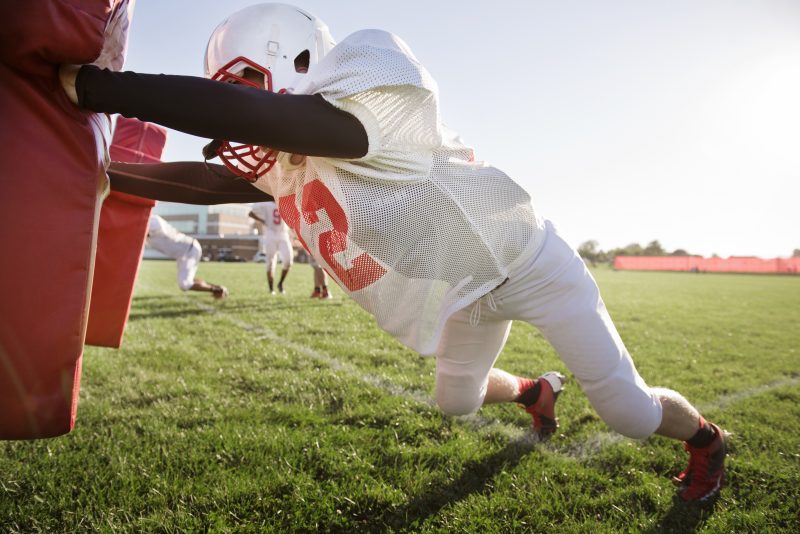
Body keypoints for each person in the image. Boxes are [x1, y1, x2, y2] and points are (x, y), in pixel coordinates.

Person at [59, 3, 727, 501]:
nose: (237, 107)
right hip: (467, 290)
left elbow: (277, 122)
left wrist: (99, 88)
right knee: (455, 404)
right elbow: (210, 178)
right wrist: (108, 175)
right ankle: (534, 391)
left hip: (530, 264)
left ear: (295, 64)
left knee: (628, 415)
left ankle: (707, 440)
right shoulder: (285, 146)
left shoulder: (367, 79)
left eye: (242, 88)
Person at [147, 214, 228, 299]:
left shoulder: (153, 220)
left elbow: (147, 230)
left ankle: (217, 290)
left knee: (184, 284)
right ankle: (217, 287)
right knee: (188, 280)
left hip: (189, 250)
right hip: (185, 252)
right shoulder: (150, 221)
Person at [249, 200, 294, 294]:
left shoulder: (284, 202)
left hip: (283, 234)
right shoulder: (265, 203)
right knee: (270, 263)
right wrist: (262, 220)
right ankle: (271, 288)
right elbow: (251, 213)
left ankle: (280, 283)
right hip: (270, 234)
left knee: (288, 261)